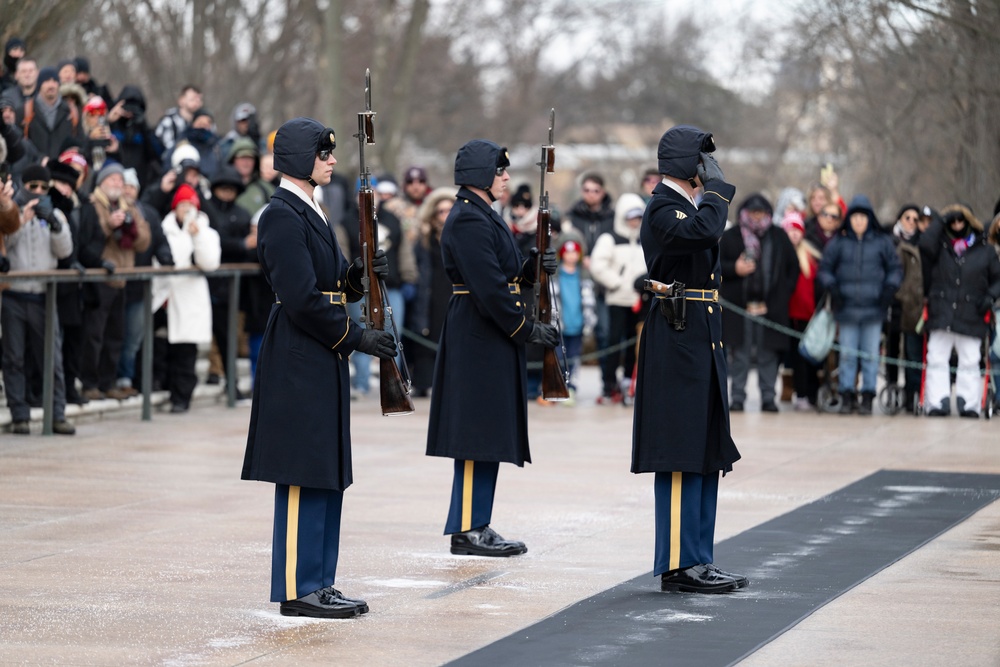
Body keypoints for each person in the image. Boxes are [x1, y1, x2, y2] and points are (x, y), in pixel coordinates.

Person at [242, 117, 396, 619]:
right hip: (300, 351)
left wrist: (357, 277)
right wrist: (357, 337)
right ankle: (297, 585)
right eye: (323, 153)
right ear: (299, 160)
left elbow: (327, 288)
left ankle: (321, 581)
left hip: (320, 350)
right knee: (300, 471)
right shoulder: (281, 215)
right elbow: (303, 299)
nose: (332, 160)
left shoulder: (312, 209)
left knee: (325, 469)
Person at [425, 139, 559, 557]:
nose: (505, 177)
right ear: (482, 175)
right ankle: (466, 527)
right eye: (499, 171)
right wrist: (525, 328)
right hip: (478, 334)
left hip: (489, 332)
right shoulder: (468, 218)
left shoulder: (483, 215)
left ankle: (477, 520)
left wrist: (533, 263)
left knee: (486, 434)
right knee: (474, 435)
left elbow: (503, 272)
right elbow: (487, 286)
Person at [632, 125, 748, 593]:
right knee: (681, 452)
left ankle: (701, 556)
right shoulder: (663, 206)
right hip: (679, 338)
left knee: (703, 450)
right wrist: (718, 195)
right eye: (701, 160)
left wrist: (711, 197)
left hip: (699, 336)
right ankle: (679, 563)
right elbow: (704, 232)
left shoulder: (688, 205)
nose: (708, 168)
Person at [2, 164, 76, 435]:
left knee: (51, 359)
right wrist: (22, 220)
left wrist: (56, 225)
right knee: (13, 358)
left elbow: (65, 251)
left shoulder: (55, 214)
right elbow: (6, 247)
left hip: (44, 296)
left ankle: (56, 413)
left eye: (44, 188)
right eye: (33, 186)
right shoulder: (11, 211)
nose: (38, 192)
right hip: (14, 294)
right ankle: (19, 414)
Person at [818, 195, 902, 415]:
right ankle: (847, 395)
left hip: (874, 310)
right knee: (846, 355)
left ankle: (867, 395)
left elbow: (895, 269)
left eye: (863, 217)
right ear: (849, 220)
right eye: (855, 217)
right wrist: (833, 288)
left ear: (869, 219)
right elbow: (825, 269)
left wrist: (888, 291)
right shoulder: (839, 243)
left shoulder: (882, 242)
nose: (859, 222)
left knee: (870, 356)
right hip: (846, 310)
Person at [76, 162, 152, 400]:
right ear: (101, 182)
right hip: (100, 277)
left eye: (121, 181)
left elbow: (145, 241)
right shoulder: (93, 203)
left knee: (115, 335)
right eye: (113, 180)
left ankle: (108, 383)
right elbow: (89, 237)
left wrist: (131, 228)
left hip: (122, 277)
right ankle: (89, 384)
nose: (118, 184)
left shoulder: (129, 206)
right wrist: (110, 226)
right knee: (94, 334)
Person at [720, 193, 799, 413]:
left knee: (768, 354)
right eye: (752, 212)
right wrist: (734, 269)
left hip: (770, 308)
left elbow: (793, 268)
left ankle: (768, 397)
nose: (756, 217)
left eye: (761, 212)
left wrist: (782, 295)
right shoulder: (731, 236)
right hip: (739, 308)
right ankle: (737, 397)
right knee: (740, 355)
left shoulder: (778, 236)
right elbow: (716, 265)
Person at [919, 205, 1000, 417]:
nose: (956, 225)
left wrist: (990, 297)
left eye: (960, 220)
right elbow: (924, 245)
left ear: (969, 222)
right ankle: (937, 401)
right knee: (937, 356)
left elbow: (997, 279)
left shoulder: (985, 249)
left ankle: (969, 403)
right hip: (942, 310)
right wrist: (941, 219)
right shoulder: (939, 246)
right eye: (952, 221)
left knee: (970, 359)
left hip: (972, 311)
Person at [151, 184, 221, 412]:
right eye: (182, 205)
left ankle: (181, 398)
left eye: (190, 205)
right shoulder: (164, 229)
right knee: (161, 349)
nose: (186, 209)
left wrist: (196, 236)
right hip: (164, 297)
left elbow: (210, 262)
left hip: (189, 299)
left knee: (185, 353)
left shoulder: (207, 232)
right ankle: (162, 391)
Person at [590, 192, 647, 404]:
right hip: (617, 300)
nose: (635, 221)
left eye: (639, 217)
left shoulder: (646, 239)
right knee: (613, 342)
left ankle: (628, 382)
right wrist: (617, 283)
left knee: (636, 343)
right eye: (631, 216)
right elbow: (598, 265)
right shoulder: (610, 238)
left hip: (641, 300)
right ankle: (608, 384)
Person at [410, 186, 457, 396]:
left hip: (453, 292)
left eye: (449, 210)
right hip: (429, 294)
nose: (445, 215)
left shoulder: (460, 237)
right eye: (441, 211)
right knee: (426, 335)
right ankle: (423, 382)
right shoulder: (424, 239)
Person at [782, 211, 823, 411]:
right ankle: (801, 393)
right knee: (796, 358)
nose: (795, 234)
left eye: (798, 230)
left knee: (810, 357)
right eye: (791, 230)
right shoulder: (782, 253)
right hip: (790, 315)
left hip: (809, 314)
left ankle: (813, 393)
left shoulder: (811, 256)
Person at [886, 204, 925, 410]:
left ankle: (911, 393)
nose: (911, 222)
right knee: (892, 349)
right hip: (893, 303)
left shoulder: (922, 243)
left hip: (912, 305)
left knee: (912, 352)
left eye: (914, 218)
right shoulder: (889, 241)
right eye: (907, 217)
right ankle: (891, 389)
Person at [153, 85, 203, 153]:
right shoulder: (169, 122)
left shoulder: (205, 123)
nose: (197, 102)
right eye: (192, 99)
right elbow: (167, 150)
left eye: (199, 99)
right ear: (181, 101)